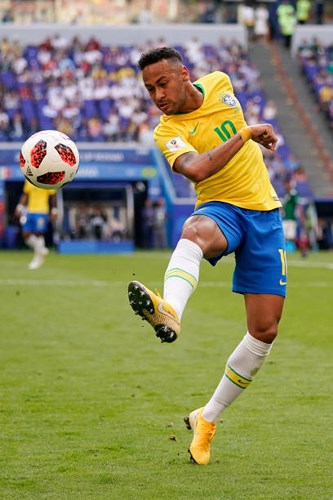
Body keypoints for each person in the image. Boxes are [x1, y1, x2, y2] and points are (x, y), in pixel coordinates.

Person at [127, 47, 286, 465]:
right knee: (194, 231)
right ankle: (169, 310)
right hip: (220, 209)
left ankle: (207, 418)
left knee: (264, 331)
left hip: (265, 214)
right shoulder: (167, 131)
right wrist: (248, 133)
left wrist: (253, 134)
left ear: (184, 75)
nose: (156, 95)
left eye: (162, 83)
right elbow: (197, 170)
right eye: (149, 89)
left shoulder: (220, 83)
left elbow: (236, 129)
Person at [15, 180, 57, 269]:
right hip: (30, 211)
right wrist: (20, 206)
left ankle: (38, 259)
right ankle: (41, 249)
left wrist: (54, 210)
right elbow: (26, 194)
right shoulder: (29, 179)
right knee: (25, 234)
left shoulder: (48, 179)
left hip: (42, 211)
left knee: (38, 233)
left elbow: (53, 196)